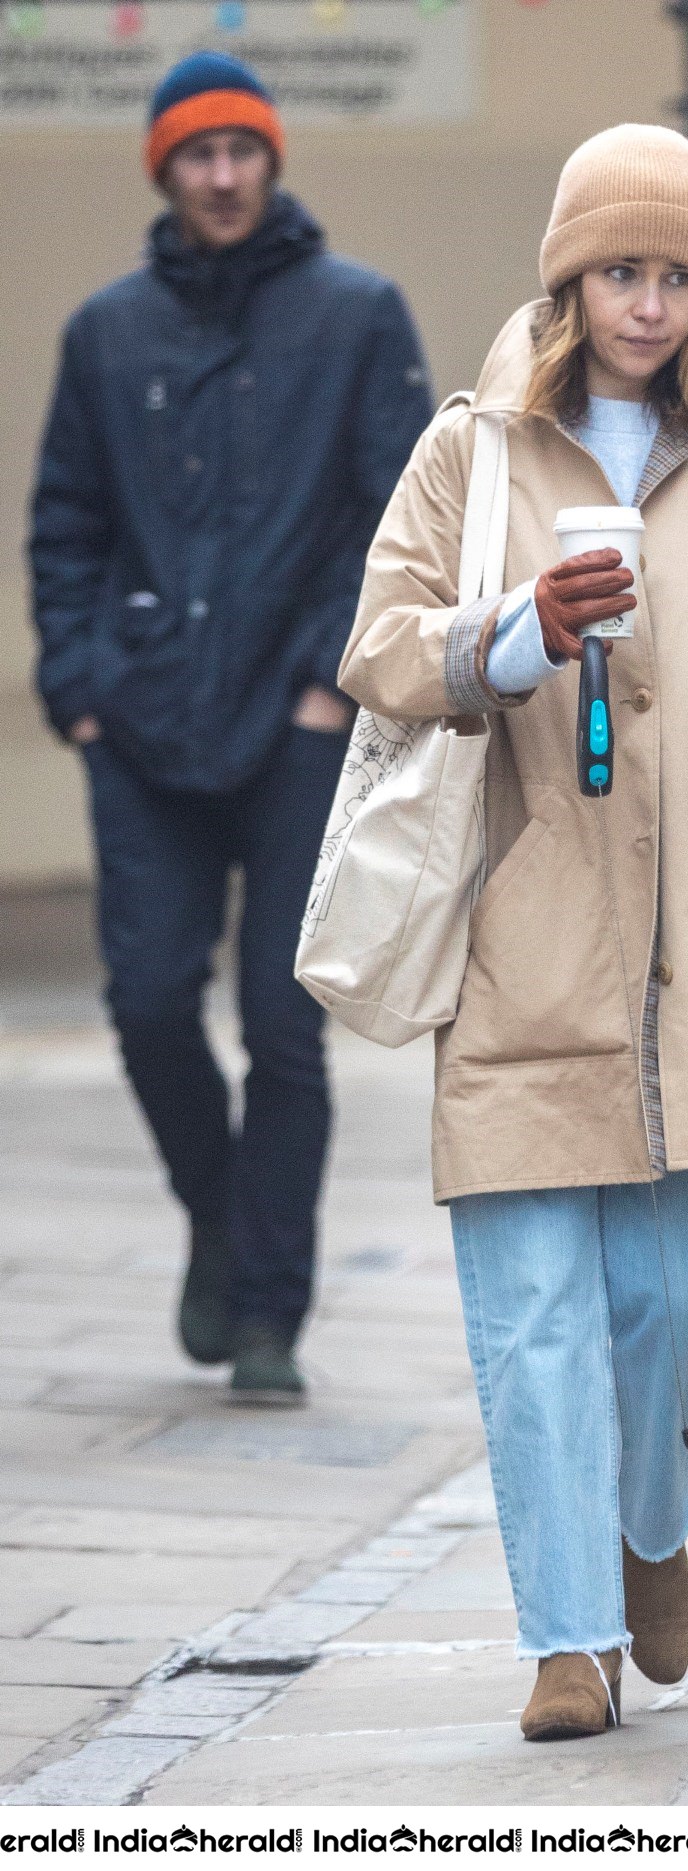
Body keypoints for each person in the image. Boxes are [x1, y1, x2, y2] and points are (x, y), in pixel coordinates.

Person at [339, 123, 688, 1740]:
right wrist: (510, 635)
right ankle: (566, 1640)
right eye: (622, 270)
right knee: (536, 1314)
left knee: (685, 1294)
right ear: (570, 275)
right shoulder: (473, 452)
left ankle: (652, 1532)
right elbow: (380, 649)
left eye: (675, 275)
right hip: (527, 927)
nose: (647, 303)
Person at [29, 51, 434, 1402]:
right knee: (148, 1003)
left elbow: (399, 519)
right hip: (139, 726)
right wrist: (79, 690)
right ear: (164, 169)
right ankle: (222, 1211)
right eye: (194, 155)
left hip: (298, 720)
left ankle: (268, 1313)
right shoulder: (107, 333)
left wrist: (333, 677)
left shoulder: (359, 316)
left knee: (284, 1022)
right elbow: (64, 523)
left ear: (271, 160)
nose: (219, 175)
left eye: (239, 151)